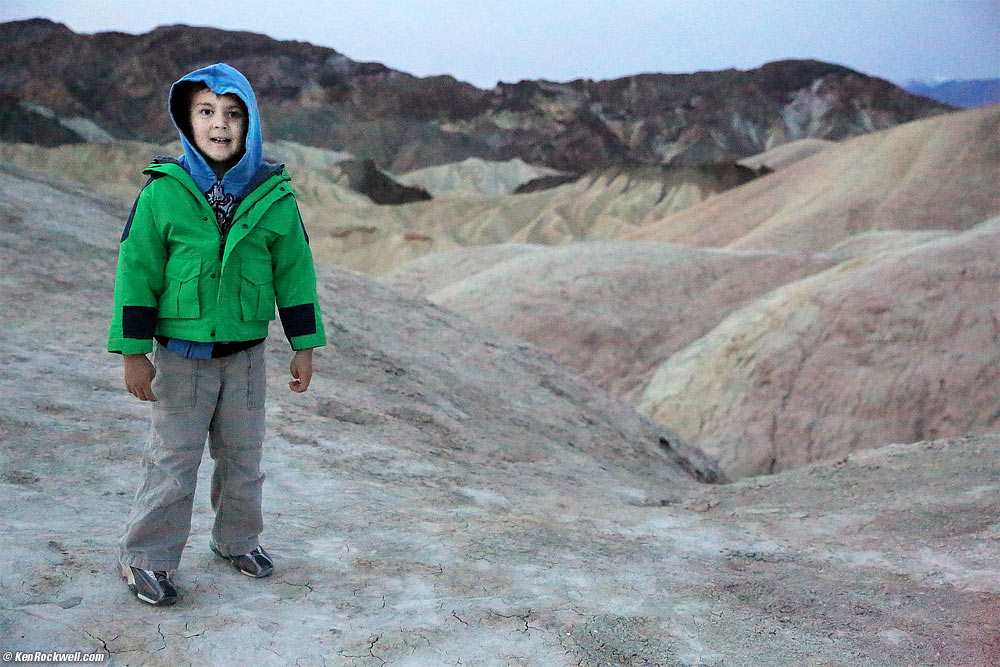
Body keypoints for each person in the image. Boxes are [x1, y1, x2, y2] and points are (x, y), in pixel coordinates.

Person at [107, 63, 326, 606]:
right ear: (187, 121)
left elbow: (295, 273)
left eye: (233, 114)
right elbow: (136, 272)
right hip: (179, 357)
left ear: (250, 124)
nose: (220, 124)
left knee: (243, 457)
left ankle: (236, 541)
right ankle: (147, 559)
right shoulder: (163, 193)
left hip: (247, 356)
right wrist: (135, 354)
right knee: (173, 460)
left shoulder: (275, 197)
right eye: (207, 112)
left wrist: (304, 344)